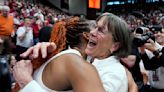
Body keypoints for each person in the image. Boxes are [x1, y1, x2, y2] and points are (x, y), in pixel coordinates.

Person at [13, 13, 137, 92]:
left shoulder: (114, 74)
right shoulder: (88, 59)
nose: (92, 32)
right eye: (95, 27)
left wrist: (27, 84)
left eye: (101, 30)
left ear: (115, 46)